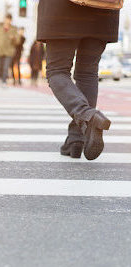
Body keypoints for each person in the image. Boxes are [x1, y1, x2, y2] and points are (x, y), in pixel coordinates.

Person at [37, 0, 120, 160]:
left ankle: (86, 116)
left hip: (62, 9)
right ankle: (76, 138)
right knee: (88, 72)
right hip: (102, 9)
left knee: (57, 71)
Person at [0, 14, 19, 86]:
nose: (8, 21)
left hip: (9, 51)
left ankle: (4, 81)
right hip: (0, 51)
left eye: (9, 20)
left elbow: (18, 41)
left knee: (6, 66)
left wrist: (14, 38)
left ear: (11, 20)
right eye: (6, 19)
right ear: (4, 20)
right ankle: (0, 79)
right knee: (0, 66)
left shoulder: (14, 29)